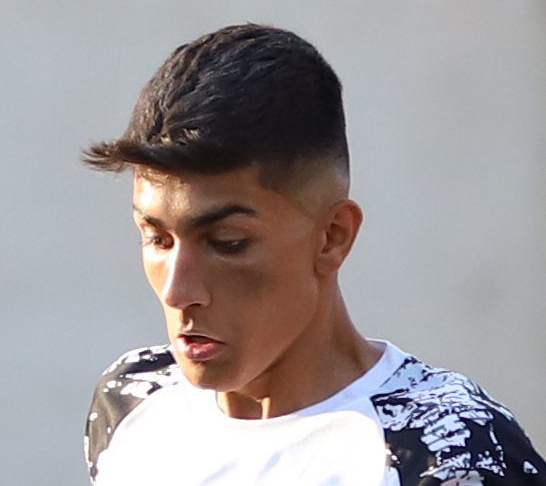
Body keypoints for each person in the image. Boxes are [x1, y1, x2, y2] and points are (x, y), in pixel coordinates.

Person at [82, 24, 545, 486]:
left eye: (227, 243)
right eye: (157, 239)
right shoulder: (132, 398)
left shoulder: (449, 453)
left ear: (332, 237)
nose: (177, 290)